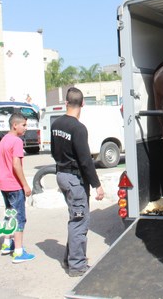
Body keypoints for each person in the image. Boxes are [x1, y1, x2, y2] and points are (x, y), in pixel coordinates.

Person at [51, 87, 105, 277]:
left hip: (62, 175)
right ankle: (77, 265)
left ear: (66, 102)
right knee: (79, 221)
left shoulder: (56, 124)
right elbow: (85, 160)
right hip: (74, 179)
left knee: (74, 217)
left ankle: (69, 258)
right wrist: (97, 185)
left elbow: (53, 152)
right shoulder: (78, 128)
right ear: (83, 104)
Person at [0, 112, 35, 263]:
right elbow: (16, 164)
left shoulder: (3, 140)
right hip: (14, 185)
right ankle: (18, 251)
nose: (26, 128)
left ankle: (7, 243)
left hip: (3, 183)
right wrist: (25, 185)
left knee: (9, 214)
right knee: (19, 218)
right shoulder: (16, 141)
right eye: (24, 125)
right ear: (15, 125)